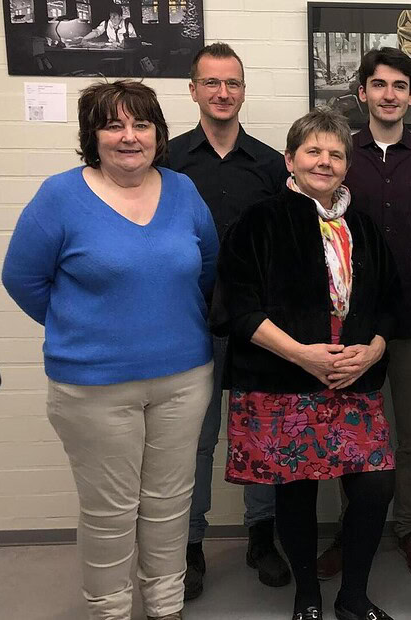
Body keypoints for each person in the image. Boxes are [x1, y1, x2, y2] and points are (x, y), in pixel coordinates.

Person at [1, 80, 218, 620]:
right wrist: (84, 328)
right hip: (93, 386)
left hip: (184, 379)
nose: (129, 137)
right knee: (110, 511)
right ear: (91, 136)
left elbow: (207, 268)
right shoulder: (60, 196)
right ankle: (110, 610)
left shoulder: (183, 191)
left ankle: (166, 606)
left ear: (158, 135)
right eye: (113, 124)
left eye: (141, 124)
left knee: (171, 504)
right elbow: (23, 279)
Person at [210, 107, 400, 620]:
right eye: (313, 151)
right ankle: (307, 595)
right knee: (296, 488)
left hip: (352, 376)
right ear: (290, 160)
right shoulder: (259, 220)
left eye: (336, 154)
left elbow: (389, 303)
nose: (325, 161)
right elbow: (236, 308)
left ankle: (353, 597)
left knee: (375, 484)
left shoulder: (361, 225)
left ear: (346, 165)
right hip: (283, 377)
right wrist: (302, 354)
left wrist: (374, 349)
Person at [166, 41, 289, 600]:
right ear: (193, 90)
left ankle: (261, 537)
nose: (222, 93)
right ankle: (189, 544)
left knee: (260, 433)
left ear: (243, 91)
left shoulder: (269, 165)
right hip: (190, 326)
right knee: (197, 438)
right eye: (211, 83)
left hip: (257, 328)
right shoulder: (167, 161)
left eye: (232, 83)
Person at [316, 46, 411, 581]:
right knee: (353, 434)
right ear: (363, 92)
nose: (389, 95)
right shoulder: (341, 157)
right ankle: (353, 529)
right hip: (356, 323)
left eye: (399, 86)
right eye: (379, 85)